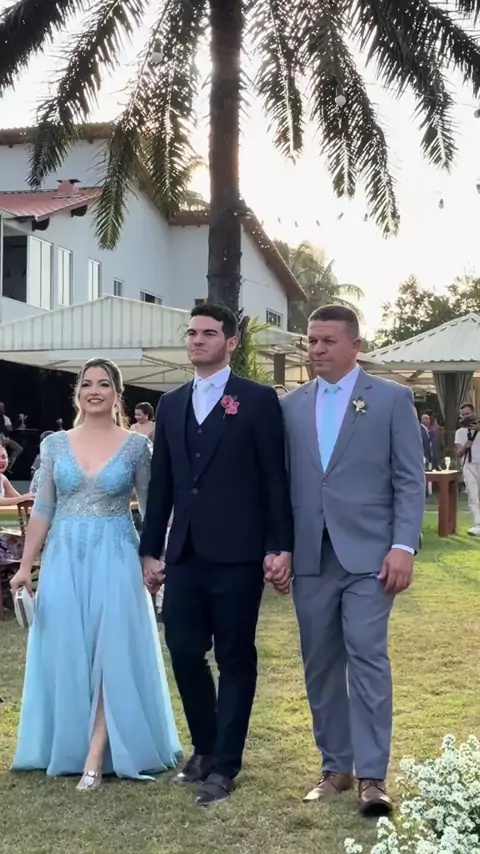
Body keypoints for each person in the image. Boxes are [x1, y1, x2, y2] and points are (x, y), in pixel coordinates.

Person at [269, 305, 424, 816]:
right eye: (311, 341)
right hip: (311, 555)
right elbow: (281, 485)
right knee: (319, 662)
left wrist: (403, 546)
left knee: (367, 656)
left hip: (371, 556)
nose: (316, 349)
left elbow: (409, 479)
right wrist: (280, 547)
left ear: (355, 345)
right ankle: (336, 767)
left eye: (327, 341)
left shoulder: (392, 399)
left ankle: (373, 776)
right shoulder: (290, 406)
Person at [140, 302, 293, 806]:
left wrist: (279, 545)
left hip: (239, 554)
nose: (196, 340)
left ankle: (225, 765)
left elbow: (274, 479)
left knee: (234, 656)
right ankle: (204, 747)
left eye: (207, 333)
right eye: (191, 333)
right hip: (184, 552)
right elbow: (162, 484)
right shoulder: (170, 404)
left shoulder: (256, 399)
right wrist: (150, 549)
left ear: (230, 342)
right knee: (183, 650)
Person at [10, 357, 182, 789]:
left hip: (117, 554)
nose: (94, 391)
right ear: (77, 393)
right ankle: (70, 743)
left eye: (104, 384)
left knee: (112, 650)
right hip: (64, 557)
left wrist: (155, 557)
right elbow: (43, 508)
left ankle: (96, 753)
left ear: (117, 393)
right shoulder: (55, 445)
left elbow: (153, 509)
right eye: (87, 384)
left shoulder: (136, 447)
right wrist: (26, 565)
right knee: (69, 647)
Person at [455, 402, 480, 536]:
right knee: (473, 495)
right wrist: (466, 446)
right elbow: (458, 453)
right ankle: (477, 524)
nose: (465, 416)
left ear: (473, 413)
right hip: (468, 465)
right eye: (463, 415)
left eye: (467, 414)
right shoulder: (460, 432)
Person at [0, 402, 23, 471]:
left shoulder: (5, 418)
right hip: (2, 439)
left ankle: (8, 463)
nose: (2, 409)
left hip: (5, 438)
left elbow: (9, 429)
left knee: (19, 448)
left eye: (2, 407)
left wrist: (5, 438)